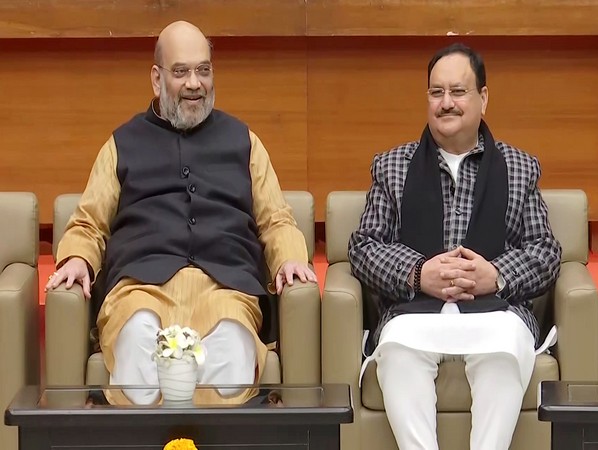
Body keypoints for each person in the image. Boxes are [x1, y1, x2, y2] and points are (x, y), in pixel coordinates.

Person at [46, 20, 317, 405]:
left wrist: (289, 257)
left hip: (225, 287)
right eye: (181, 71)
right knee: (139, 337)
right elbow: (90, 220)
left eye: (203, 70)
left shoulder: (245, 142)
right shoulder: (122, 144)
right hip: (141, 287)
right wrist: (77, 258)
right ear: (157, 79)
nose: (195, 83)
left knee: (231, 344)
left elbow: (275, 217)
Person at [348, 43, 561, 450]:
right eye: (436, 92)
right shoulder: (392, 166)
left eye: (458, 92)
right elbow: (363, 246)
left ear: (483, 97)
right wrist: (417, 272)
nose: (446, 103)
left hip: (496, 313)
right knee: (398, 353)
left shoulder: (519, 167)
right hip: (414, 313)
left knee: (502, 353)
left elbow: (545, 251)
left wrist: (496, 275)